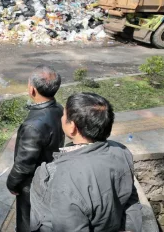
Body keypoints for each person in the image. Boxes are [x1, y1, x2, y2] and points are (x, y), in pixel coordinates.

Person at [30, 93, 142, 232]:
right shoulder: (121, 152)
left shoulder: (57, 176)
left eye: (64, 115)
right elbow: (131, 201)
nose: (61, 118)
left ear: (72, 127)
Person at [6, 65, 64, 232]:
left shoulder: (33, 126)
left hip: (33, 184)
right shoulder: (58, 109)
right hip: (50, 172)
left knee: (28, 222)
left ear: (32, 90)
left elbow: (24, 164)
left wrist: (12, 184)